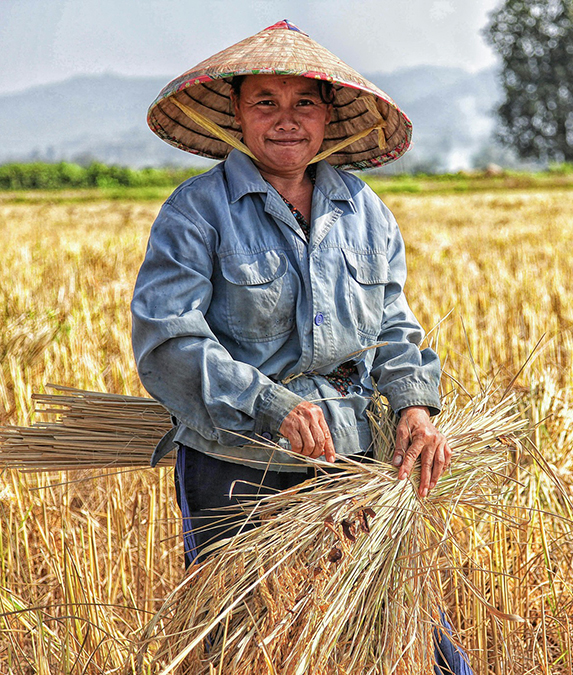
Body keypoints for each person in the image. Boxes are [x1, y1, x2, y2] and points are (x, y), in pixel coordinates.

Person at [132, 20, 471, 674]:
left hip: (354, 452)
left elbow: (395, 324)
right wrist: (270, 404)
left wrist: (414, 407)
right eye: (266, 102)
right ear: (236, 112)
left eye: (303, 103)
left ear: (327, 115)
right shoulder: (197, 211)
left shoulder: (362, 209)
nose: (286, 120)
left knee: (409, 631)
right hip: (237, 457)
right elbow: (166, 337)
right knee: (236, 642)